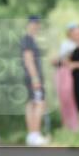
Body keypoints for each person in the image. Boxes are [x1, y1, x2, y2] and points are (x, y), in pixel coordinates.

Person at [21, 15, 48, 146]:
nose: (36, 26)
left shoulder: (30, 40)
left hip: (30, 77)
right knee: (39, 103)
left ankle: (31, 135)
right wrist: (35, 78)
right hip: (33, 77)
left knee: (32, 104)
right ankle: (35, 134)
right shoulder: (28, 40)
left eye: (37, 24)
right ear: (29, 24)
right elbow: (28, 59)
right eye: (34, 24)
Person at [52, 24, 79, 132]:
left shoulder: (77, 45)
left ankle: (74, 126)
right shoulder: (67, 44)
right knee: (64, 99)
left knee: (70, 99)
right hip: (63, 72)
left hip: (70, 73)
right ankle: (67, 126)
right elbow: (63, 60)